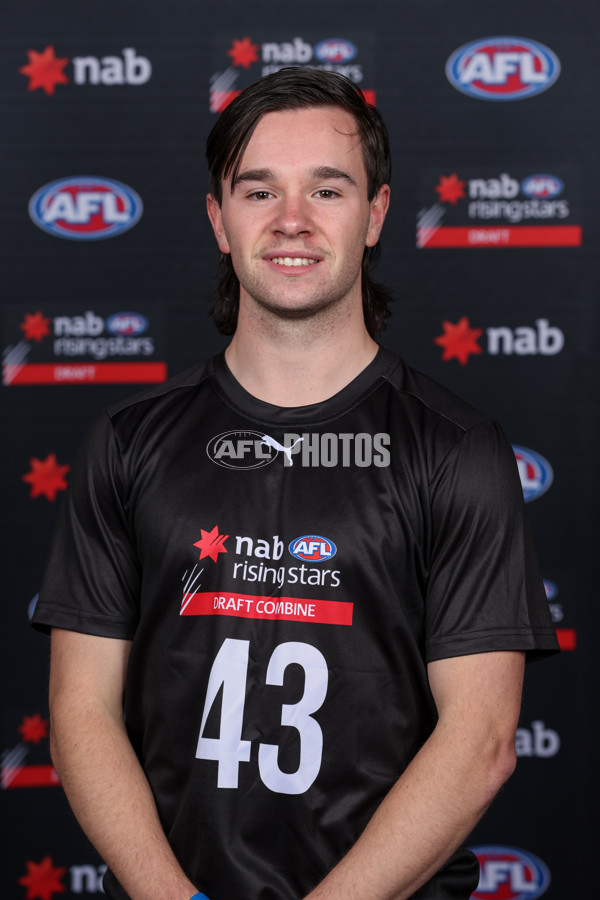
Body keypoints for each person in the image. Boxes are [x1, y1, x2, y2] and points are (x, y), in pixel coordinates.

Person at [33, 68, 559, 900]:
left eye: (327, 188)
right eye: (257, 191)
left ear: (377, 212)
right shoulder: (129, 443)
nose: (292, 221)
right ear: (217, 218)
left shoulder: (458, 450)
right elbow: (81, 713)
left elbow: (483, 738)